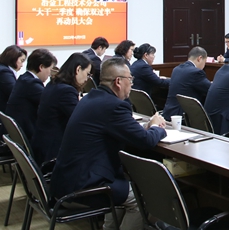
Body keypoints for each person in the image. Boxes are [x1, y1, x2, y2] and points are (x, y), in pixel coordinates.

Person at [50, 58, 166, 230]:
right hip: (82, 186)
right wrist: (156, 126)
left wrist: (145, 128)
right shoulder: (114, 106)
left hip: (67, 179)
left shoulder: (92, 98)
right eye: (130, 79)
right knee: (144, 199)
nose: (132, 84)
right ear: (118, 81)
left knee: (124, 185)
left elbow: (120, 129)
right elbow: (146, 141)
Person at [31, 53, 91, 165]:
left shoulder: (53, 84)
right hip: (53, 153)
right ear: (78, 69)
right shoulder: (67, 91)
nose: (87, 79)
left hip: (42, 145)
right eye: (87, 74)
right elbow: (81, 121)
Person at [5, 49, 57, 139]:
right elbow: (51, 103)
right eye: (50, 69)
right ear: (41, 67)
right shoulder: (32, 83)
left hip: (18, 133)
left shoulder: (24, 79)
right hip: (28, 134)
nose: (50, 74)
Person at [163, 46, 212, 119]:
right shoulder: (196, 72)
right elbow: (210, 89)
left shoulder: (176, 69)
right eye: (205, 62)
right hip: (183, 117)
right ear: (199, 58)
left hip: (168, 113)